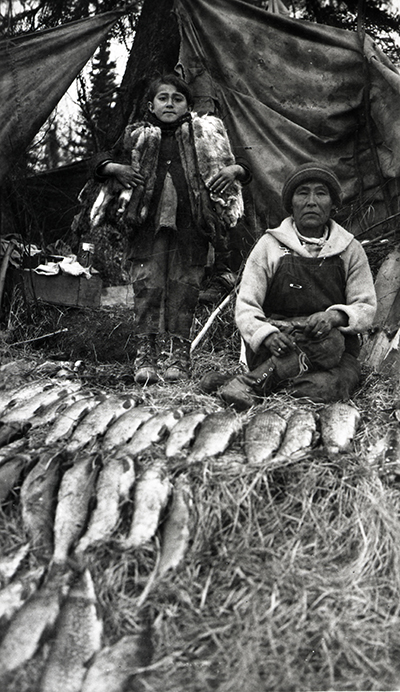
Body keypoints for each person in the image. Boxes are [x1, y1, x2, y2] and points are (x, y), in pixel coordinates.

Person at [89, 73, 251, 385]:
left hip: (191, 225)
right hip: (146, 225)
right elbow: (101, 159)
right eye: (162, 98)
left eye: (177, 99)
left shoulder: (204, 135)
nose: (169, 104)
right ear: (150, 105)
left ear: (188, 106)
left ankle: (180, 356)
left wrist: (234, 170)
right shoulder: (136, 136)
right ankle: (146, 354)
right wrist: (113, 168)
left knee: (184, 286)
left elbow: (241, 166)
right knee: (147, 284)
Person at [212, 162, 377, 409]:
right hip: (278, 345)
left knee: (325, 372)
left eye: (321, 193)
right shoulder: (269, 245)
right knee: (318, 370)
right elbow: (246, 307)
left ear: (333, 204)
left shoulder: (350, 249)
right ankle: (259, 381)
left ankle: (249, 383)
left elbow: (365, 307)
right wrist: (267, 336)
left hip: (335, 355)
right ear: (291, 205)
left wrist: (334, 317)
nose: (311, 201)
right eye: (303, 193)